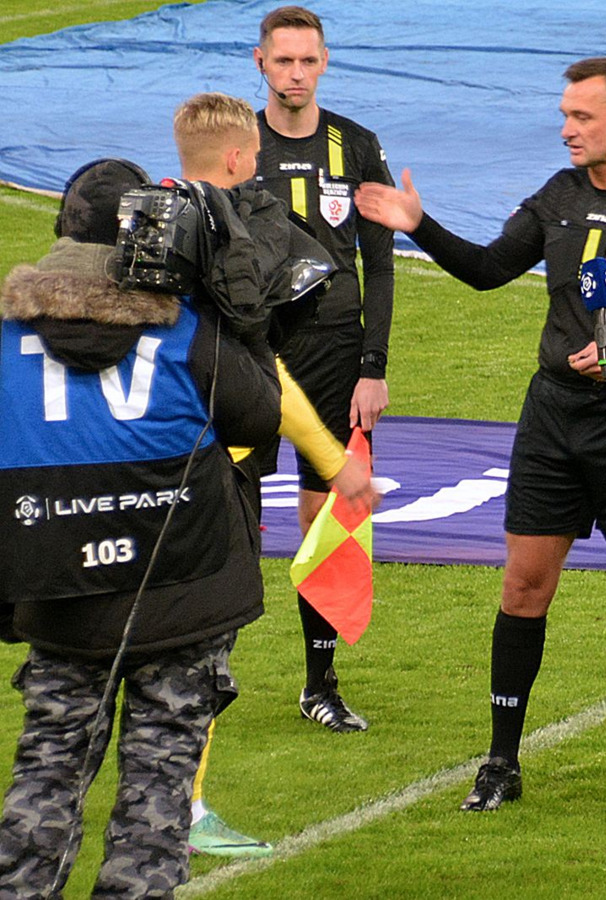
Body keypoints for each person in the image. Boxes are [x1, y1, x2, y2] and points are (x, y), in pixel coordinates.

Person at [355, 57, 606, 812]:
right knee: (523, 586)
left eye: (581, 116)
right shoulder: (558, 196)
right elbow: (489, 268)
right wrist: (419, 225)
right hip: (553, 419)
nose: (567, 129)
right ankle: (501, 762)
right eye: (565, 114)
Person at [0, 159, 281, 896]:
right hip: (184, 596)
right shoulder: (188, 330)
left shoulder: (5, 342)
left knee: (44, 781)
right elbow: (260, 417)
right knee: (157, 801)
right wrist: (240, 313)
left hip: (62, 600)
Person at [172, 90, 378, 858]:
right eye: (254, 156)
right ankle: (185, 809)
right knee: (200, 642)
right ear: (236, 157)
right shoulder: (237, 242)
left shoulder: (150, 228)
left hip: (136, 465)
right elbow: (256, 366)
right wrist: (331, 460)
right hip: (214, 470)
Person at [253, 5, 396, 732]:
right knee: (230, 511)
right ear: (261, 63)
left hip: (338, 355)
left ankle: (319, 684)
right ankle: (205, 666)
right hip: (252, 353)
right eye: (284, 61)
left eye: (308, 60)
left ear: (325, 63)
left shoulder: (356, 145)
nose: (296, 74)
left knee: (324, 515)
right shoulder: (237, 144)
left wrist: (374, 365)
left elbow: (381, 264)